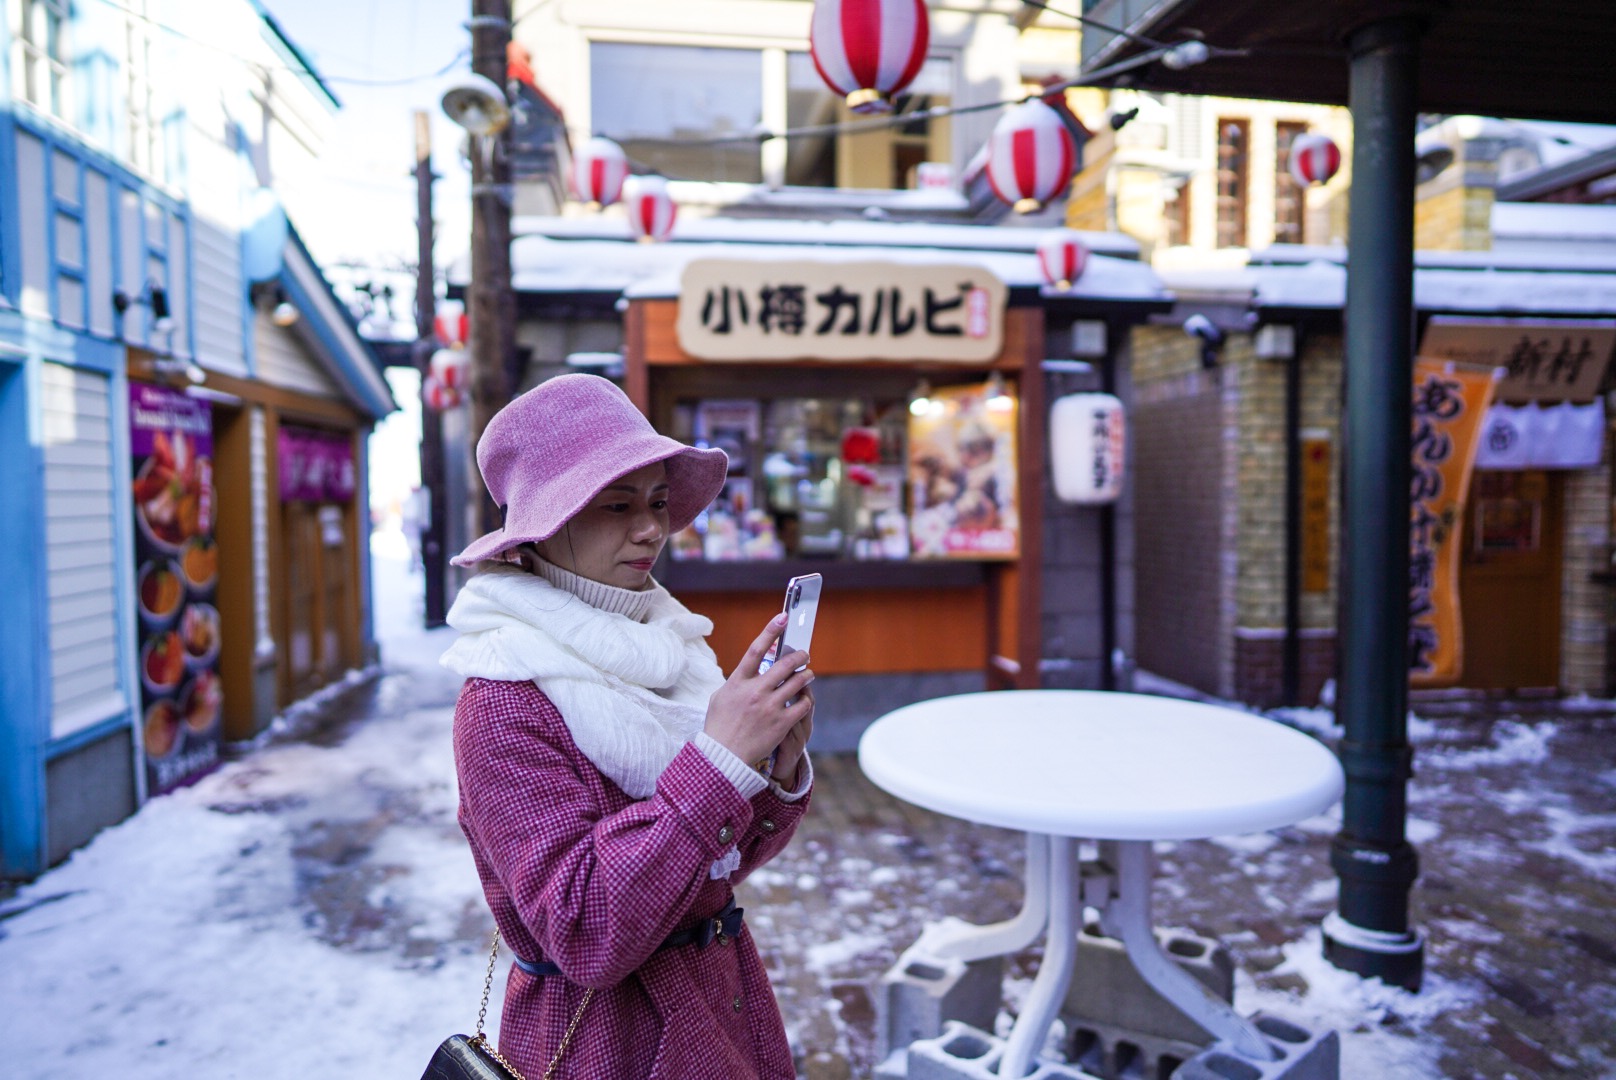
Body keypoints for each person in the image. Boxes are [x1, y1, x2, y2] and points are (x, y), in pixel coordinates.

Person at [441, 374, 815, 1079]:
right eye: (616, 505)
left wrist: (778, 773)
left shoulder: (672, 649)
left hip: (722, 1007)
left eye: (657, 502)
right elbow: (584, 931)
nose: (650, 530)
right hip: (607, 1045)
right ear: (545, 524)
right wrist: (720, 760)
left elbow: (721, 863)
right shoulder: (504, 696)